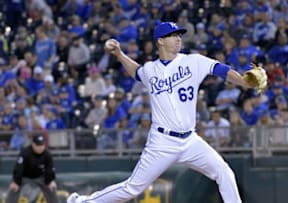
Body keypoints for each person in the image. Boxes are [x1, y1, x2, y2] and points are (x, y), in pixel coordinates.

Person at [67, 21, 262, 203]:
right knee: (132, 189)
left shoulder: (194, 61)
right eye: (172, 35)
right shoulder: (151, 70)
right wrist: (119, 54)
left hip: (190, 140)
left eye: (179, 35)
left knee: (224, 172)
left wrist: (243, 82)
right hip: (162, 142)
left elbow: (222, 70)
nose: (178, 39)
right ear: (160, 40)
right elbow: (137, 72)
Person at [7, 134, 59, 203]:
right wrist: (16, 182)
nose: (40, 147)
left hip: (40, 177)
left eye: (42, 145)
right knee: (14, 188)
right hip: (25, 176)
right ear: (33, 144)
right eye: (38, 145)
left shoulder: (47, 154)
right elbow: (18, 168)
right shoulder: (25, 152)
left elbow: (50, 169)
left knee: (52, 188)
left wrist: (50, 181)